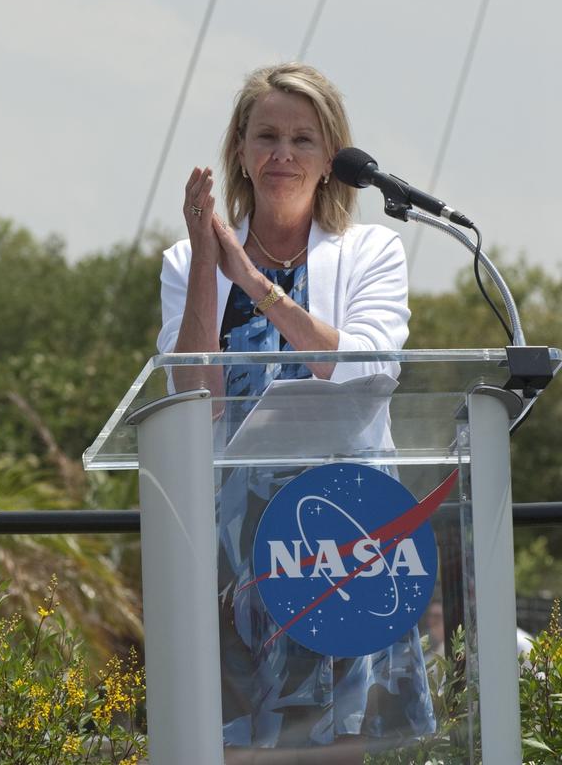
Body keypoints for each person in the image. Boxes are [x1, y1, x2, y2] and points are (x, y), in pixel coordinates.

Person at [157, 62, 435, 764]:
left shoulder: (371, 251)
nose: (283, 154)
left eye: (303, 140)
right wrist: (204, 266)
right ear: (242, 153)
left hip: (349, 533)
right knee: (244, 743)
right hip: (238, 546)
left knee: (345, 743)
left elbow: (369, 363)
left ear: (330, 159)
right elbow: (190, 397)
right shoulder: (184, 262)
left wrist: (254, 282)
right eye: (267, 136)